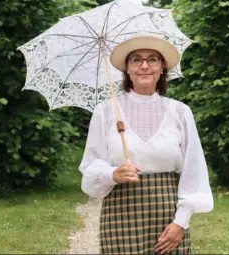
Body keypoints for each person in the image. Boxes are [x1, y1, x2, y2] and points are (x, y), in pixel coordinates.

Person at [79, 34, 214, 255]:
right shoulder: (105, 111)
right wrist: (113, 173)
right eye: (136, 59)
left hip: (167, 216)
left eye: (152, 59)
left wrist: (181, 222)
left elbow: (194, 169)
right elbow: (91, 165)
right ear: (127, 69)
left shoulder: (180, 112)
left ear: (162, 68)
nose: (144, 66)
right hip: (120, 213)